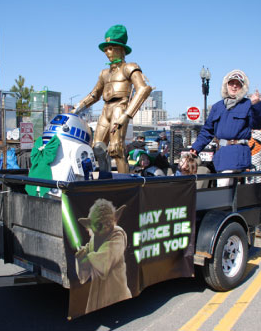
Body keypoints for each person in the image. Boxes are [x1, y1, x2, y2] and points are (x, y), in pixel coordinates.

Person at [72, 25, 152, 174]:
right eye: (106, 48)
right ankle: (105, 178)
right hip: (105, 109)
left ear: (120, 48)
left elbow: (143, 89)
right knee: (98, 147)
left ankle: (124, 184)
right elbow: (94, 94)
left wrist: (126, 115)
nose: (107, 52)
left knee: (117, 148)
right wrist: (77, 108)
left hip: (119, 107)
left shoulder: (129, 68)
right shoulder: (104, 73)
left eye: (111, 48)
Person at [190, 69, 261, 187]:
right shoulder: (217, 107)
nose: (234, 86)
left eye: (238, 84)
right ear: (226, 85)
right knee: (222, 185)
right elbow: (207, 130)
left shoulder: (248, 104)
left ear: (243, 87)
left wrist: (256, 105)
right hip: (222, 154)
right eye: (231, 83)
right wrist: (196, 148)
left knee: (224, 184)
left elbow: (258, 124)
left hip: (238, 152)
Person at [75, 199, 131, 313]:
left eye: (108, 222)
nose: (105, 227)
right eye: (99, 224)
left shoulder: (117, 234)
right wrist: (81, 256)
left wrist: (87, 256)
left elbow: (106, 260)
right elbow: (84, 270)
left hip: (116, 294)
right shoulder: (94, 238)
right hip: (96, 298)